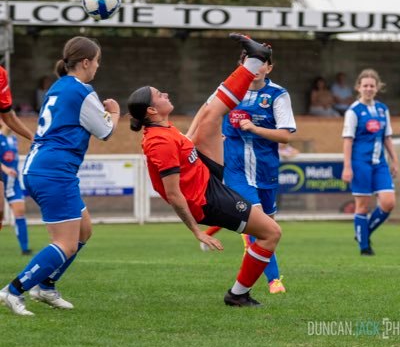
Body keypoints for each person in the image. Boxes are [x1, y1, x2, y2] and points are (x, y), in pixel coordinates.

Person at [127, 34, 282, 307]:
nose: (166, 94)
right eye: (160, 95)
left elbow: (187, 147)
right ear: (152, 109)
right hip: (207, 200)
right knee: (271, 233)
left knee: (211, 114)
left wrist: (200, 143)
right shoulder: (158, 141)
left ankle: (253, 59)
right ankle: (237, 294)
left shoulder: (164, 128)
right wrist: (196, 231)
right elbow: (174, 194)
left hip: (204, 175)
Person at [0, 36, 120, 316]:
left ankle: (46, 286)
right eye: (98, 61)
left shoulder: (57, 87)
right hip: (53, 171)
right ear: (86, 62)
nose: (98, 67)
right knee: (65, 242)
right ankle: (13, 290)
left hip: (42, 167)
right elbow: (106, 131)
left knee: (84, 230)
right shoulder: (80, 89)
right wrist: (113, 112)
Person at [193, 47, 296, 294]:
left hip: (266, 171)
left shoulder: (278, 95)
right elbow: (207, 112)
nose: (256, 67)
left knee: (267, 227)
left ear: (269, 68)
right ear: (242, 65)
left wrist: (254, 128)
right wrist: (190, 136)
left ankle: (245, 278)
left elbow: (284, 136)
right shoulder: (229, 90)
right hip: (235, 170)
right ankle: (272, 282)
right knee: (259, 225)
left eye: (262, 63)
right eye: (251, 62)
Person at [341, 68, 397, 256]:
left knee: (388, 202)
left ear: (377, 87)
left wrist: (395, 161)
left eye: (372, 85)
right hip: (360, 164)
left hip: (380, 164)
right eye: (365, 85)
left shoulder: (382, 109)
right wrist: (347, 166)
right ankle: (364, 247)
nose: (368, 88)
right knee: (362, 206)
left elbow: (387, 137)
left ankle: (363, 233)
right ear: (358, 87)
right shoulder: (353, 111)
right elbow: (347, 140)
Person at [0, 65, 34, 231]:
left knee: (2, 211)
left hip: (12, 181)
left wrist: (32, 137)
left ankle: (25, 248)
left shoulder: (1, 75)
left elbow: (8, 116)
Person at [0, 123, 32, 255]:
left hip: (13, 184)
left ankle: (25, 249)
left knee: (20, 212)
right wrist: (5, 169)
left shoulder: (13, 139)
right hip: (1, 181)